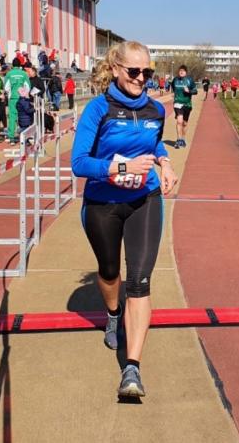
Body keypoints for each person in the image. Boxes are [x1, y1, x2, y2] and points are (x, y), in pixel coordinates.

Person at [71, 40, 177, 398]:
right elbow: (79, 163)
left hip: (144, 199)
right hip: (102, 203)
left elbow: (154, 143)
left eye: (148, 72)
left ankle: (132, 369)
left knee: (140, 282)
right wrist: (121, 168)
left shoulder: (155, 110)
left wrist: (165, 163)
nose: (141, 78)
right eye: (134, 71)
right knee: (109, 272)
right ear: (116, 69)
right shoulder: (98, 110)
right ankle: (113, 314)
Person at [4, 58, 31, 143]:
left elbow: (6, 88)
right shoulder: (24, 74)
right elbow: (28, 87)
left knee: (12, 117)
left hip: (12, 98)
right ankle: (24, 136)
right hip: (22, 98)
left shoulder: (9, 74)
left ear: (12, 65)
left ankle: (11, 137)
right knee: (23, 116)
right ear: (20, 65)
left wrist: (10, 93)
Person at [171, 65, 197, 149]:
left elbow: (195, 91)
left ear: (186, 72)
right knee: (179, 121)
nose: (181, 72)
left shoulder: (189, 80)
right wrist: (175, 95)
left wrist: (189, 91)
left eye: (183, 71)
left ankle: (183, 139)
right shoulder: (175, 80)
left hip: (187, 104)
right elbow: (173, 88)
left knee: (185, 123)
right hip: (178, 103)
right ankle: (179, 139)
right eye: (180, 70)